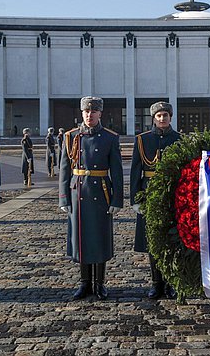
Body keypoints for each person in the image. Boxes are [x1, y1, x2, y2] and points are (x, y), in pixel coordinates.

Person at [59, 96, 124, 301]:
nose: (89, 115)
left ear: (100, 113)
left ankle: (100, 283)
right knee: (81, 238)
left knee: (100, 238)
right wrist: (63, 198)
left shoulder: (109, 138)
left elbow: (117, 172)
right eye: (86, 111)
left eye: (93, 111)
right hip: (78, 192)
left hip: (100, 192)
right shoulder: (71, 137)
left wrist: (116, 200)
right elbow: (64, 169)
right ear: (82, 113)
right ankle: (84, 282)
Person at [130, 101, 181, 299]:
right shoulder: (142, 140)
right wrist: (136, 199)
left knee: (171, 241)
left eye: (165, 115)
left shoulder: (178, 139)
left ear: (170, 117)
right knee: (153, 242)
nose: (162, 119)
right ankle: (156, 283)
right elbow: (136, 171)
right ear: (153, 118)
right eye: (159, 116)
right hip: (149, 194)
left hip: (172, 195)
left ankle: (171, 283)